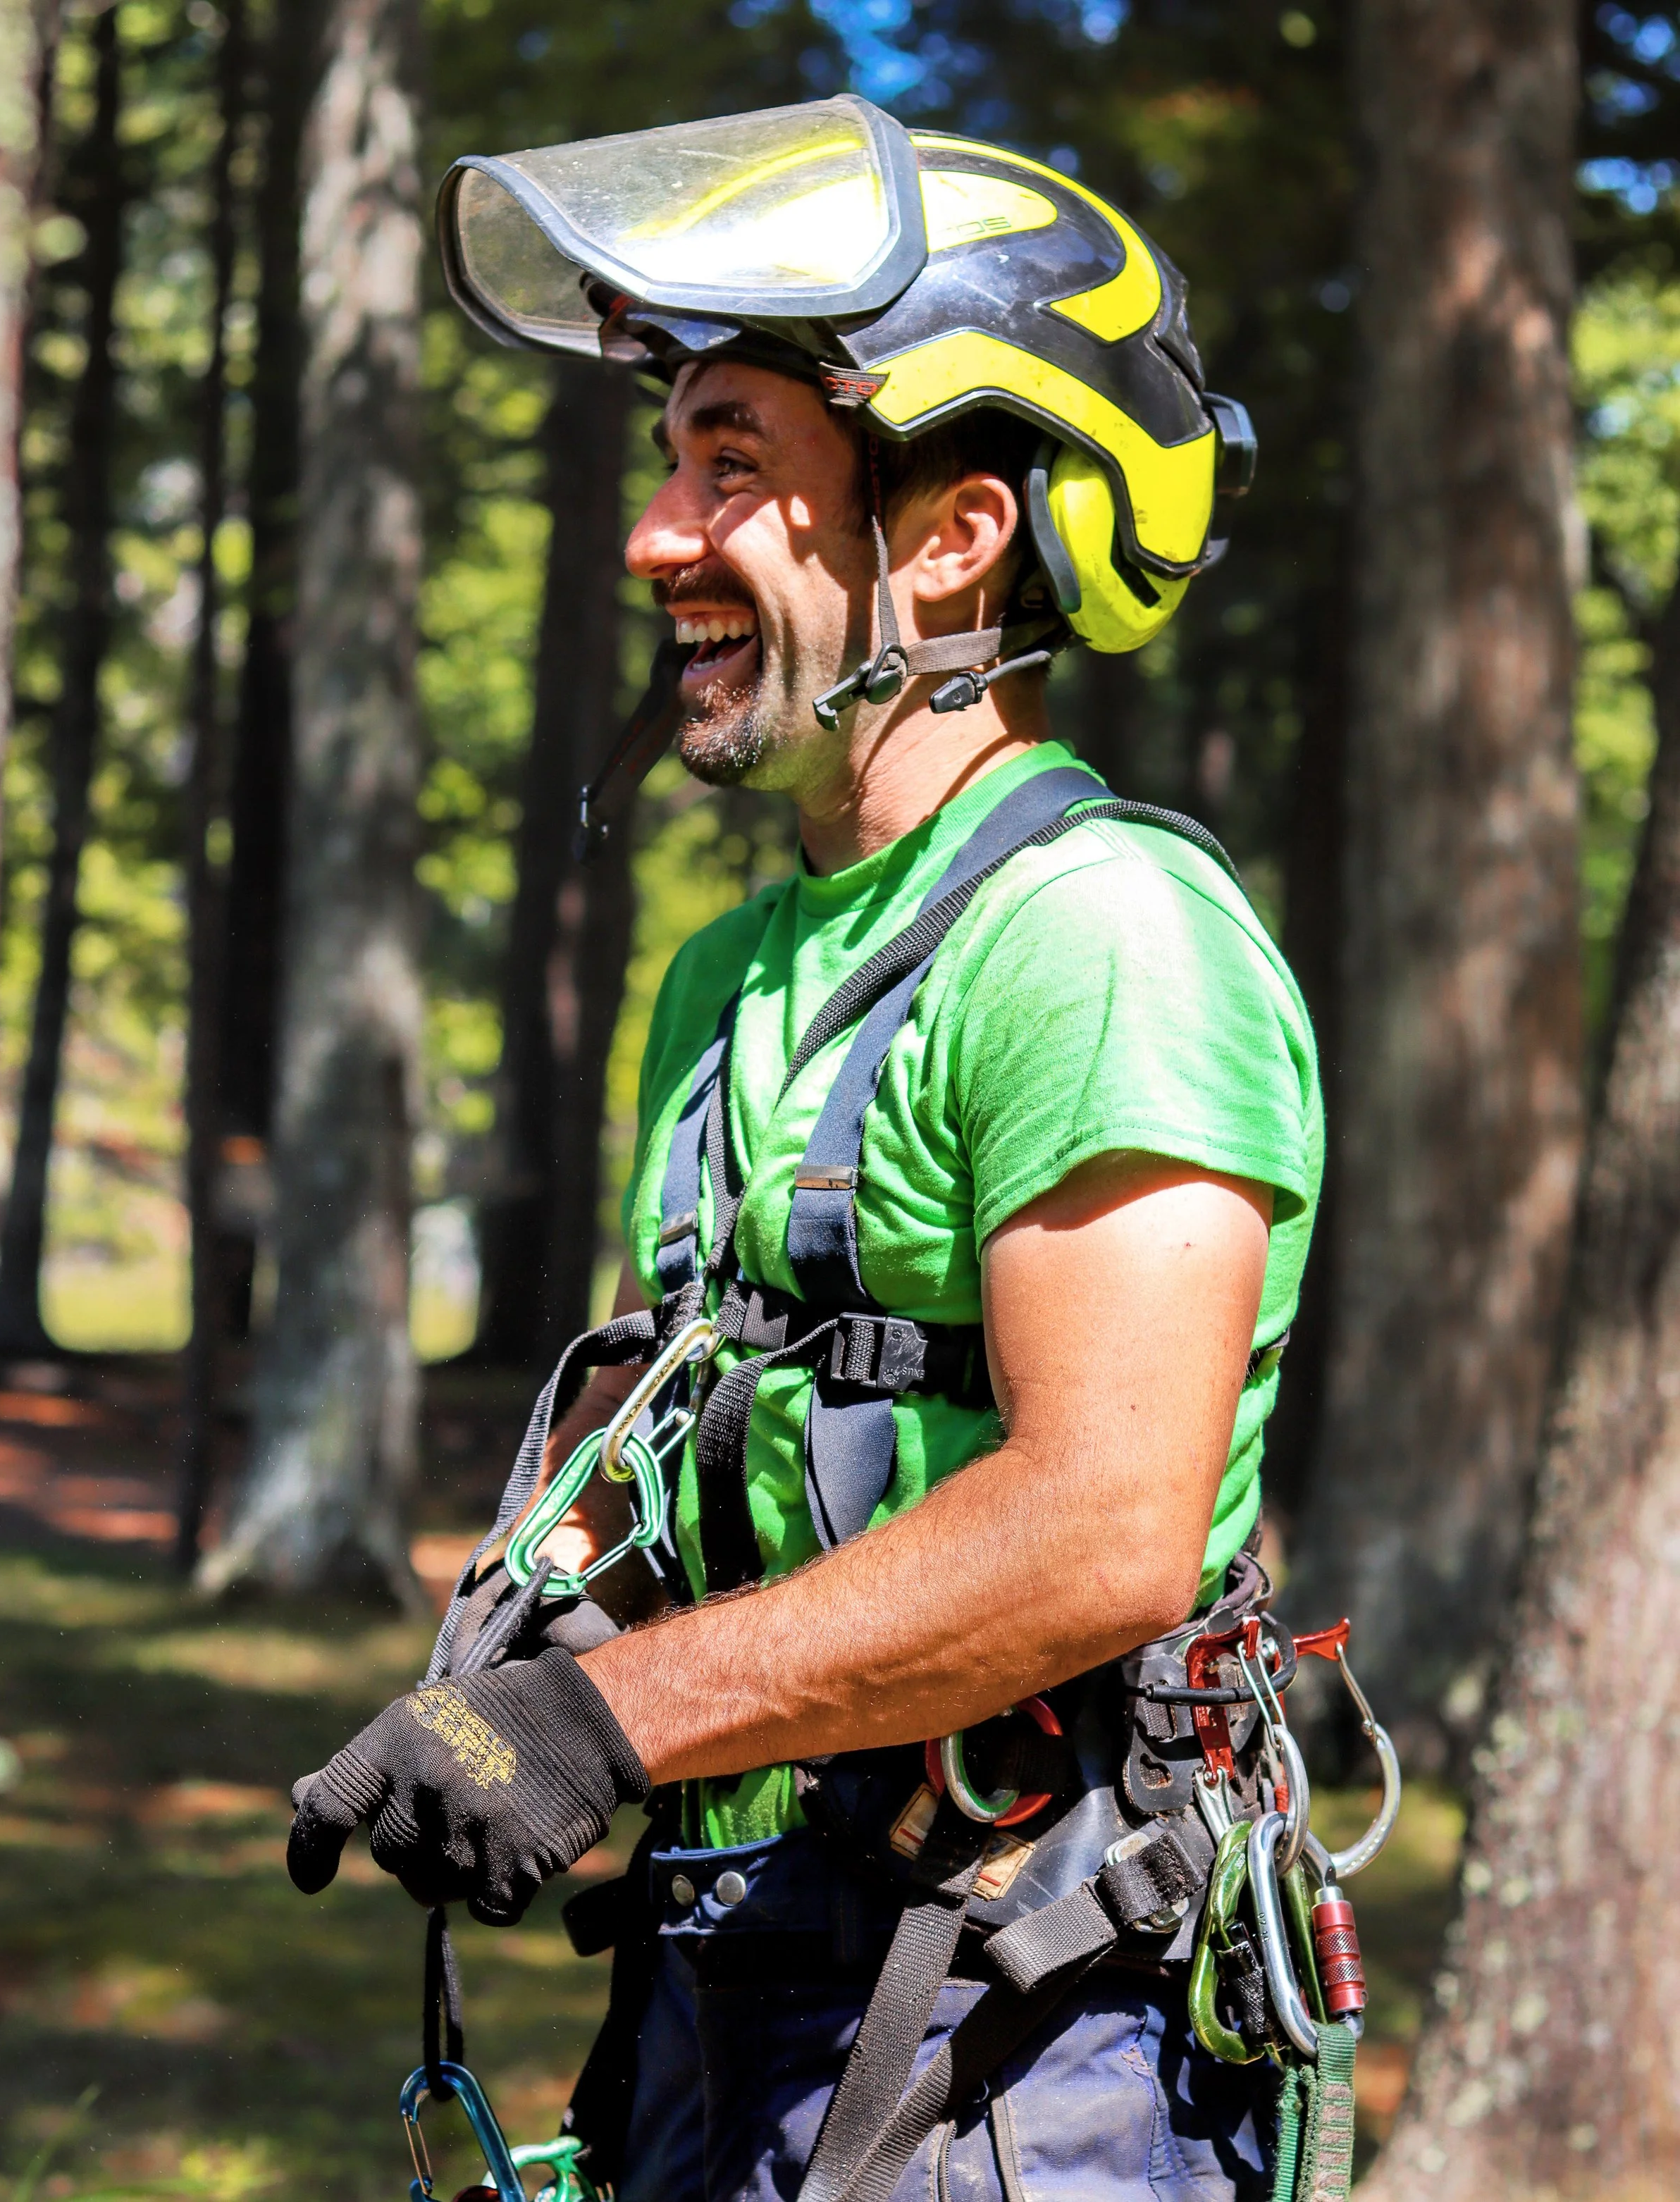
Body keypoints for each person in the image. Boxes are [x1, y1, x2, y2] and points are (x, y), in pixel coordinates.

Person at [289, 99, 1323, 2202]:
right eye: (669, 462)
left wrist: (604, 1728)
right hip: (717, 1986)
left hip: (1039, 2036)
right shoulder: (729, 976)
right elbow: (724, 1425)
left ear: (947, 532)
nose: (658, 535)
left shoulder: (1096, 934)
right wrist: (528, 1650)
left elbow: (1100, 1525)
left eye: (732, 465)